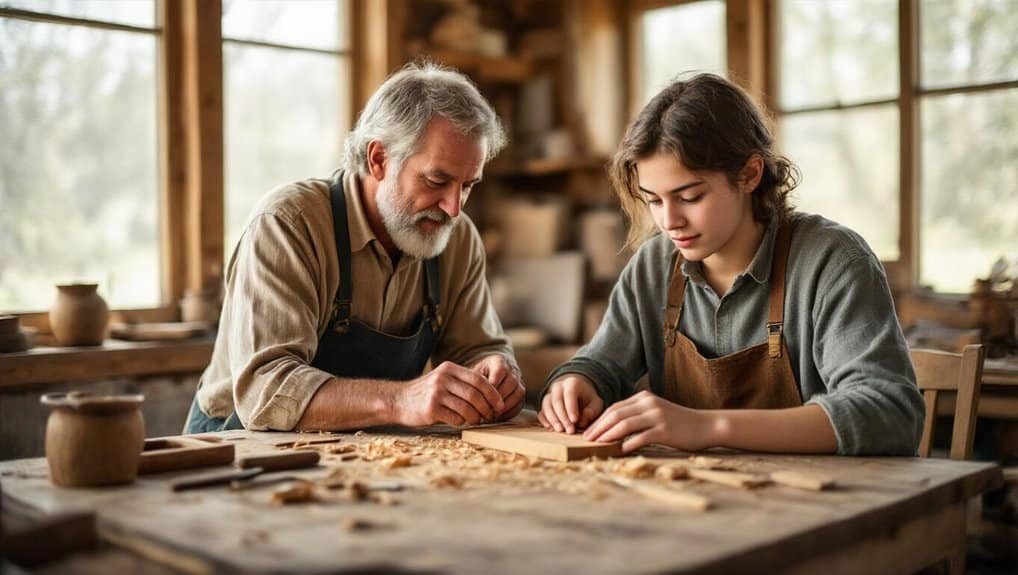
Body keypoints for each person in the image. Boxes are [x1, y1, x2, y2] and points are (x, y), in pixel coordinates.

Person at [538, 74, 923, 455]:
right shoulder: (654, 265)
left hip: (816, 492)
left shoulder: (832, 261)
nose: (669, 221)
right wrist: (577, 381)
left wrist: (708, 427)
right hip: (688, 489)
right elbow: (601, 364)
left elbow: (889, 413)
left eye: (690, 197)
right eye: (654, 200)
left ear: (750, 174)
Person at [185, 63, 524, 433]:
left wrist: (493, 372)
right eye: (435, 180)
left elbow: (475, 350)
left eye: (468, 185)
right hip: (235, 443)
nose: (454, 208)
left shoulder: (456, 237)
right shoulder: (289, 224)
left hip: (360, 447)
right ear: (379, 159)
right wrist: (401, 400)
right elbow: (266, 391)